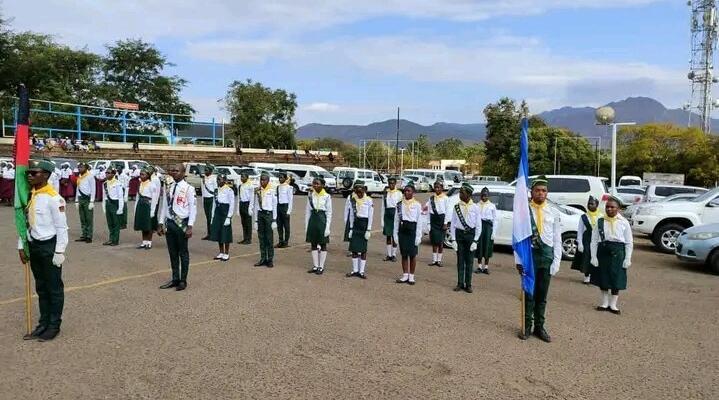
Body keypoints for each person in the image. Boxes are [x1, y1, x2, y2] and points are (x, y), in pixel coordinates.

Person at [19, 159, 69, 341]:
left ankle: (54, 325)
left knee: (54, 288)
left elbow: (62, 228)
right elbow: (25, 223)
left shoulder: (54, 199)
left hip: (49, 246)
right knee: (41, 287)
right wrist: (21, 245)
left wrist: (59, 252)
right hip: (34, 245)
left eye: (34, 173)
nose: (30, 176)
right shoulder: (31, 196)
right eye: (28, 173)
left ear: (46, 175)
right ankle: (43, 323)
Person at [516, 176, 562, 342]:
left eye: (544, 190)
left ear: (547, 192)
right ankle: (527, 325)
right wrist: (518, 260)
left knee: (542, 295)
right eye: (538, 190)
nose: (541, 193)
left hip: (547, 256)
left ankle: (539, 327)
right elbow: (518, 237)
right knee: (529, 293)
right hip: (530, 256)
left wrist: (556, 261)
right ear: (532, 192)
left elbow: (557, 238)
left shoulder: (553, 212)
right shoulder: (524, 211)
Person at [590, 196, 633, 314]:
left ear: (618, 208)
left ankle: (613, 304)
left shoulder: (624, 222)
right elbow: (594, 240)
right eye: (607, 207)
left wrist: (628, 258)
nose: (609, 209)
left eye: (612, 207)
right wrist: (593, 256)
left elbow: (629, 242)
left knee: (616, 278)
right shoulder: (600, 221)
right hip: (603, 251)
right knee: (603, 277)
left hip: (618, 252)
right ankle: (604, 303)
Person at [157, 163, 197, 291]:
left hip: (182, 224)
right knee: (172, 253)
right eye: (172, 170)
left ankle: (183, 280)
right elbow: (164, 205)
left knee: (183, 253)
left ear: (183, 172)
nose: (173, 172)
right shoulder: (168, 187)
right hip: (170, 223)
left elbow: (193, 208)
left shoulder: (189, 188)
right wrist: (160, 222)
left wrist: (190, 226)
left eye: (177, 170)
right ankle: (175, 278)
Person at [450, 183, 482, 293]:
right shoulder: (457, 207)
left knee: (469, 261)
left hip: (470, 236)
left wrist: (475, 240)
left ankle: (468, 284)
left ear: (468, 194)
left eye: (462, 193)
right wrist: (453, 239)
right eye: (460, 192)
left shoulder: (475, 207)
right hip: (459, 235)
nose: (460, 195)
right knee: (460, 260)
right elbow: (453, 223)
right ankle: (460, 283)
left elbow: (478, 225)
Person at [393, 181, 423, 285]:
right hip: (403, 230)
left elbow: (419, 221)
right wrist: (395, 234)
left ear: (413, 192)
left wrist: (419, 236)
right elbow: (396, 220)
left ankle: (411, 276)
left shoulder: (417, 205)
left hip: (412, 230)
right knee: (404, 254)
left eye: (408, 191)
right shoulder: (399, 205)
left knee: (413, 255)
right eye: (405, 191)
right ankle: (405, 275)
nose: (406, 192)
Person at [345, 181, 373, 279]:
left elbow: (370, 216)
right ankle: (355, 270)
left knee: (363, 250)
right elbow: (352, 215)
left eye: (361, 192)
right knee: (354, 249)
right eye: (357, 192)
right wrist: (351, 228)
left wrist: (368, 230)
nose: (359, 194)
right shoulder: (353, 200)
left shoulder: (369, 200)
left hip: (364, 224)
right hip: (356, 224)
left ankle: (361, 271)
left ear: (364, 191)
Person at [305, 177, 332, 274]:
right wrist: (306, 225)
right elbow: (308, 211)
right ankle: (316, 266)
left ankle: (321, 266)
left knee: (323, 244)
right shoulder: (311, 195)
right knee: (313, 243)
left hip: (322, 220)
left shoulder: (327, 196)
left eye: (317, 184)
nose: (315, 185)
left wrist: (327, 227)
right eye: (314, 183)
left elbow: (329, 213)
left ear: (323, 185)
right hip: (313, 220)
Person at [571, 196, 602, 284]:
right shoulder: (584, 217)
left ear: (597, 205)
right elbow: (580, 231)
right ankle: (587, 275)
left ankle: (594, 275)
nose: (590, 205)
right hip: (587, 239)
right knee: (587, 257)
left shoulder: (601, 216)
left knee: (595, 256)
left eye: (592, 204)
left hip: (597, 240)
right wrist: (580, 243)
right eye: (589, 204)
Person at [254, 173, 278, 268]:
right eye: (261, 180)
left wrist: (274, 220)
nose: (262, 181)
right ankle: (263, 258)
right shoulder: (258, 190)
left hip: (268, 215)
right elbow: (256, 205)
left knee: (269, 238)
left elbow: (275, 205)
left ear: (268, 181)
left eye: (264, 180)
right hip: (260, 214)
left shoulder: (272, 190)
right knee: (261, 237)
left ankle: (270, 259)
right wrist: (255, 220)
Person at [210, 174, 235, 261]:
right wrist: (212, 216)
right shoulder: (216, 190)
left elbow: (232, 204)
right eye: (217, 179)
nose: (218, 181)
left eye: (219, 180)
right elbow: (214, 204)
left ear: (224, 180)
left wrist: (229, 217)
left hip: (225, 212)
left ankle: (226, 253)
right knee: (219, 232)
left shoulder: (229, 190)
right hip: (218, 212)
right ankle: (221, 252)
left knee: (226, 233)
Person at [134, 168, 160, 249]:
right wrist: (135, 207)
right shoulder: (140, 184)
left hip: (148, 205)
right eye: (140, 174)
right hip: (141, 204)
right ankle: (144, 242)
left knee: (149, 225)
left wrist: (153, 210)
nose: (141, 176)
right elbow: (138, 196)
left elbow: (155, 198)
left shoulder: (152, 184)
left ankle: (149, 242)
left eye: (143, 174)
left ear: (148, 175)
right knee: (143, 224)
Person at [425, 180, 450, 267]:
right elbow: (428, 211)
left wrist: (445, 223)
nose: (437, 189)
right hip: (433, 219)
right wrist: (428, 223)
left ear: (442, 188)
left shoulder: (446, 198)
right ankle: (434, 260)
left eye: (438, 187)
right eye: (435, 187)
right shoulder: (431, 198)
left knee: (440, 242)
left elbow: (447, 211)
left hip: (441, 219)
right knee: (434, 241)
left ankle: (439, 260)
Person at [475, 187, 498, 274]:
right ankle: (479, 266)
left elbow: (495, 220)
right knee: (480, 246)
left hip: (488, 227)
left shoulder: (492, 206)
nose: (484, 197)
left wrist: (494, 232)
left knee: (487, 247)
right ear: (480, 196)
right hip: (480, 225)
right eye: (483, 196)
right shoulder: (477, 205)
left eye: (486, 196)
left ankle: (486, 267)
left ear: (488, 196)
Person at [381, 177, 403, 262]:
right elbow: (383, 207)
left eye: (393, 183)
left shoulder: (399, 193)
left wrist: (401, 219)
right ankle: (389, 254)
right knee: (388, 235)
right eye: (389, 183)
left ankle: (394, 254)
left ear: (395, 184)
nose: (391, 185)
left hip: (396, 214)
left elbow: (401, 207)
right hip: (387, 214)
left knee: (395, 235)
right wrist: (382, 220)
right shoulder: (385, 193)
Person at [73, 162, 95, 243]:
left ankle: (89, 236)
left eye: (82, 167)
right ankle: (84, 234)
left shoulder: (90, 176)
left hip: (87, 199)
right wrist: (76, 200)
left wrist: (92, 201)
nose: (80, 169)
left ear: (86, 168)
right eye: (79, 167)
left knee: (88, 218)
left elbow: (93, 189)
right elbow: (77, 189)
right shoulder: (79, 176)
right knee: (82, 218)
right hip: (80, 198)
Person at [102, 168, 125, 246]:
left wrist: (120, 208)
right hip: (108, 204)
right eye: (106, 173)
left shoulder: (117, 183)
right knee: (110, 223)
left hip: (115, 203)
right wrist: (103, 207)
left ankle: (115, 240)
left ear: (113, 174)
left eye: (108, 173)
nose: (107, 174)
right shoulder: (105, 183)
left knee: (116, 223)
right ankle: (111, 239)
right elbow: (104, 196)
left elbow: (120, 197)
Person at [200, 165, 218, 240]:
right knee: (208, 217)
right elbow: (202, 189)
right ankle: (209, 233)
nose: (205, 171)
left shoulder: (213, 179)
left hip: (211, 199)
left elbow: (216, 189)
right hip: (205, 199)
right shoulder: (203, 178)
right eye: (205, 170)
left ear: (210, 171)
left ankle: (213, 234)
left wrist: (216, 200)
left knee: (211, 217)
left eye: (207, 170)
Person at [276, 172, 294, 248]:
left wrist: (289, 211)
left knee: (286, 226)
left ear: (285, 178)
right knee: (279, 225)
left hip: (285, 207)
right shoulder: (278, 187)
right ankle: (280, 241)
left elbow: (290, 200)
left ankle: (286, 241)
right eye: (279, 177)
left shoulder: (289, 187)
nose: (280, 179)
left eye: (282, 177)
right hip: (279, 206)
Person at [236, 173, 255, 244]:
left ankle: (248, 239)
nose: (242, 178)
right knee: (243, 222)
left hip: (247, 204)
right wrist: (238, 208)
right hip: (242, 204)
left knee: (248, 223)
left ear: (247, 177)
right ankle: (245, 238)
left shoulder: (250, 186)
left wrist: (250, 208)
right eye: (241, 177)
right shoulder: (240, 186)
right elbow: (239, 197)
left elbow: (252, 198)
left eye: (243, 177)